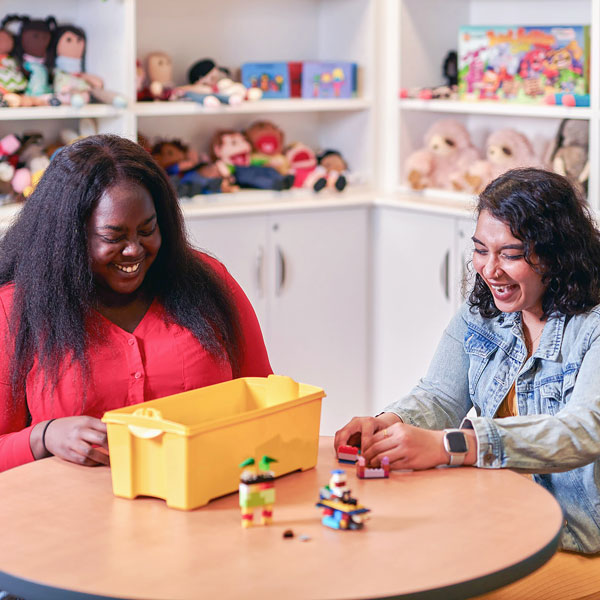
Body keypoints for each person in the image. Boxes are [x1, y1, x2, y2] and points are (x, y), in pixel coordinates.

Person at [335, 168, 600, 598]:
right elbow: (440, 394)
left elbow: (583, 430)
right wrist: (387, 423)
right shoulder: (485, 311)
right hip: (500, 517)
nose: (489, 270)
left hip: (573, 538)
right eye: (480, 250)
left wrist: (451, 445)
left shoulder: (592, 327)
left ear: (556, 254)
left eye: (510, 254)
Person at [0, 134, 272, 472]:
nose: (134, 250)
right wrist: (43, 437)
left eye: (147, 230)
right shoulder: (15, 310)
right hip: (74, 517)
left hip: (208, 500)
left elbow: (264, 400)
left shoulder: (208, 282)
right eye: (113, 237)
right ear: (68, 237)